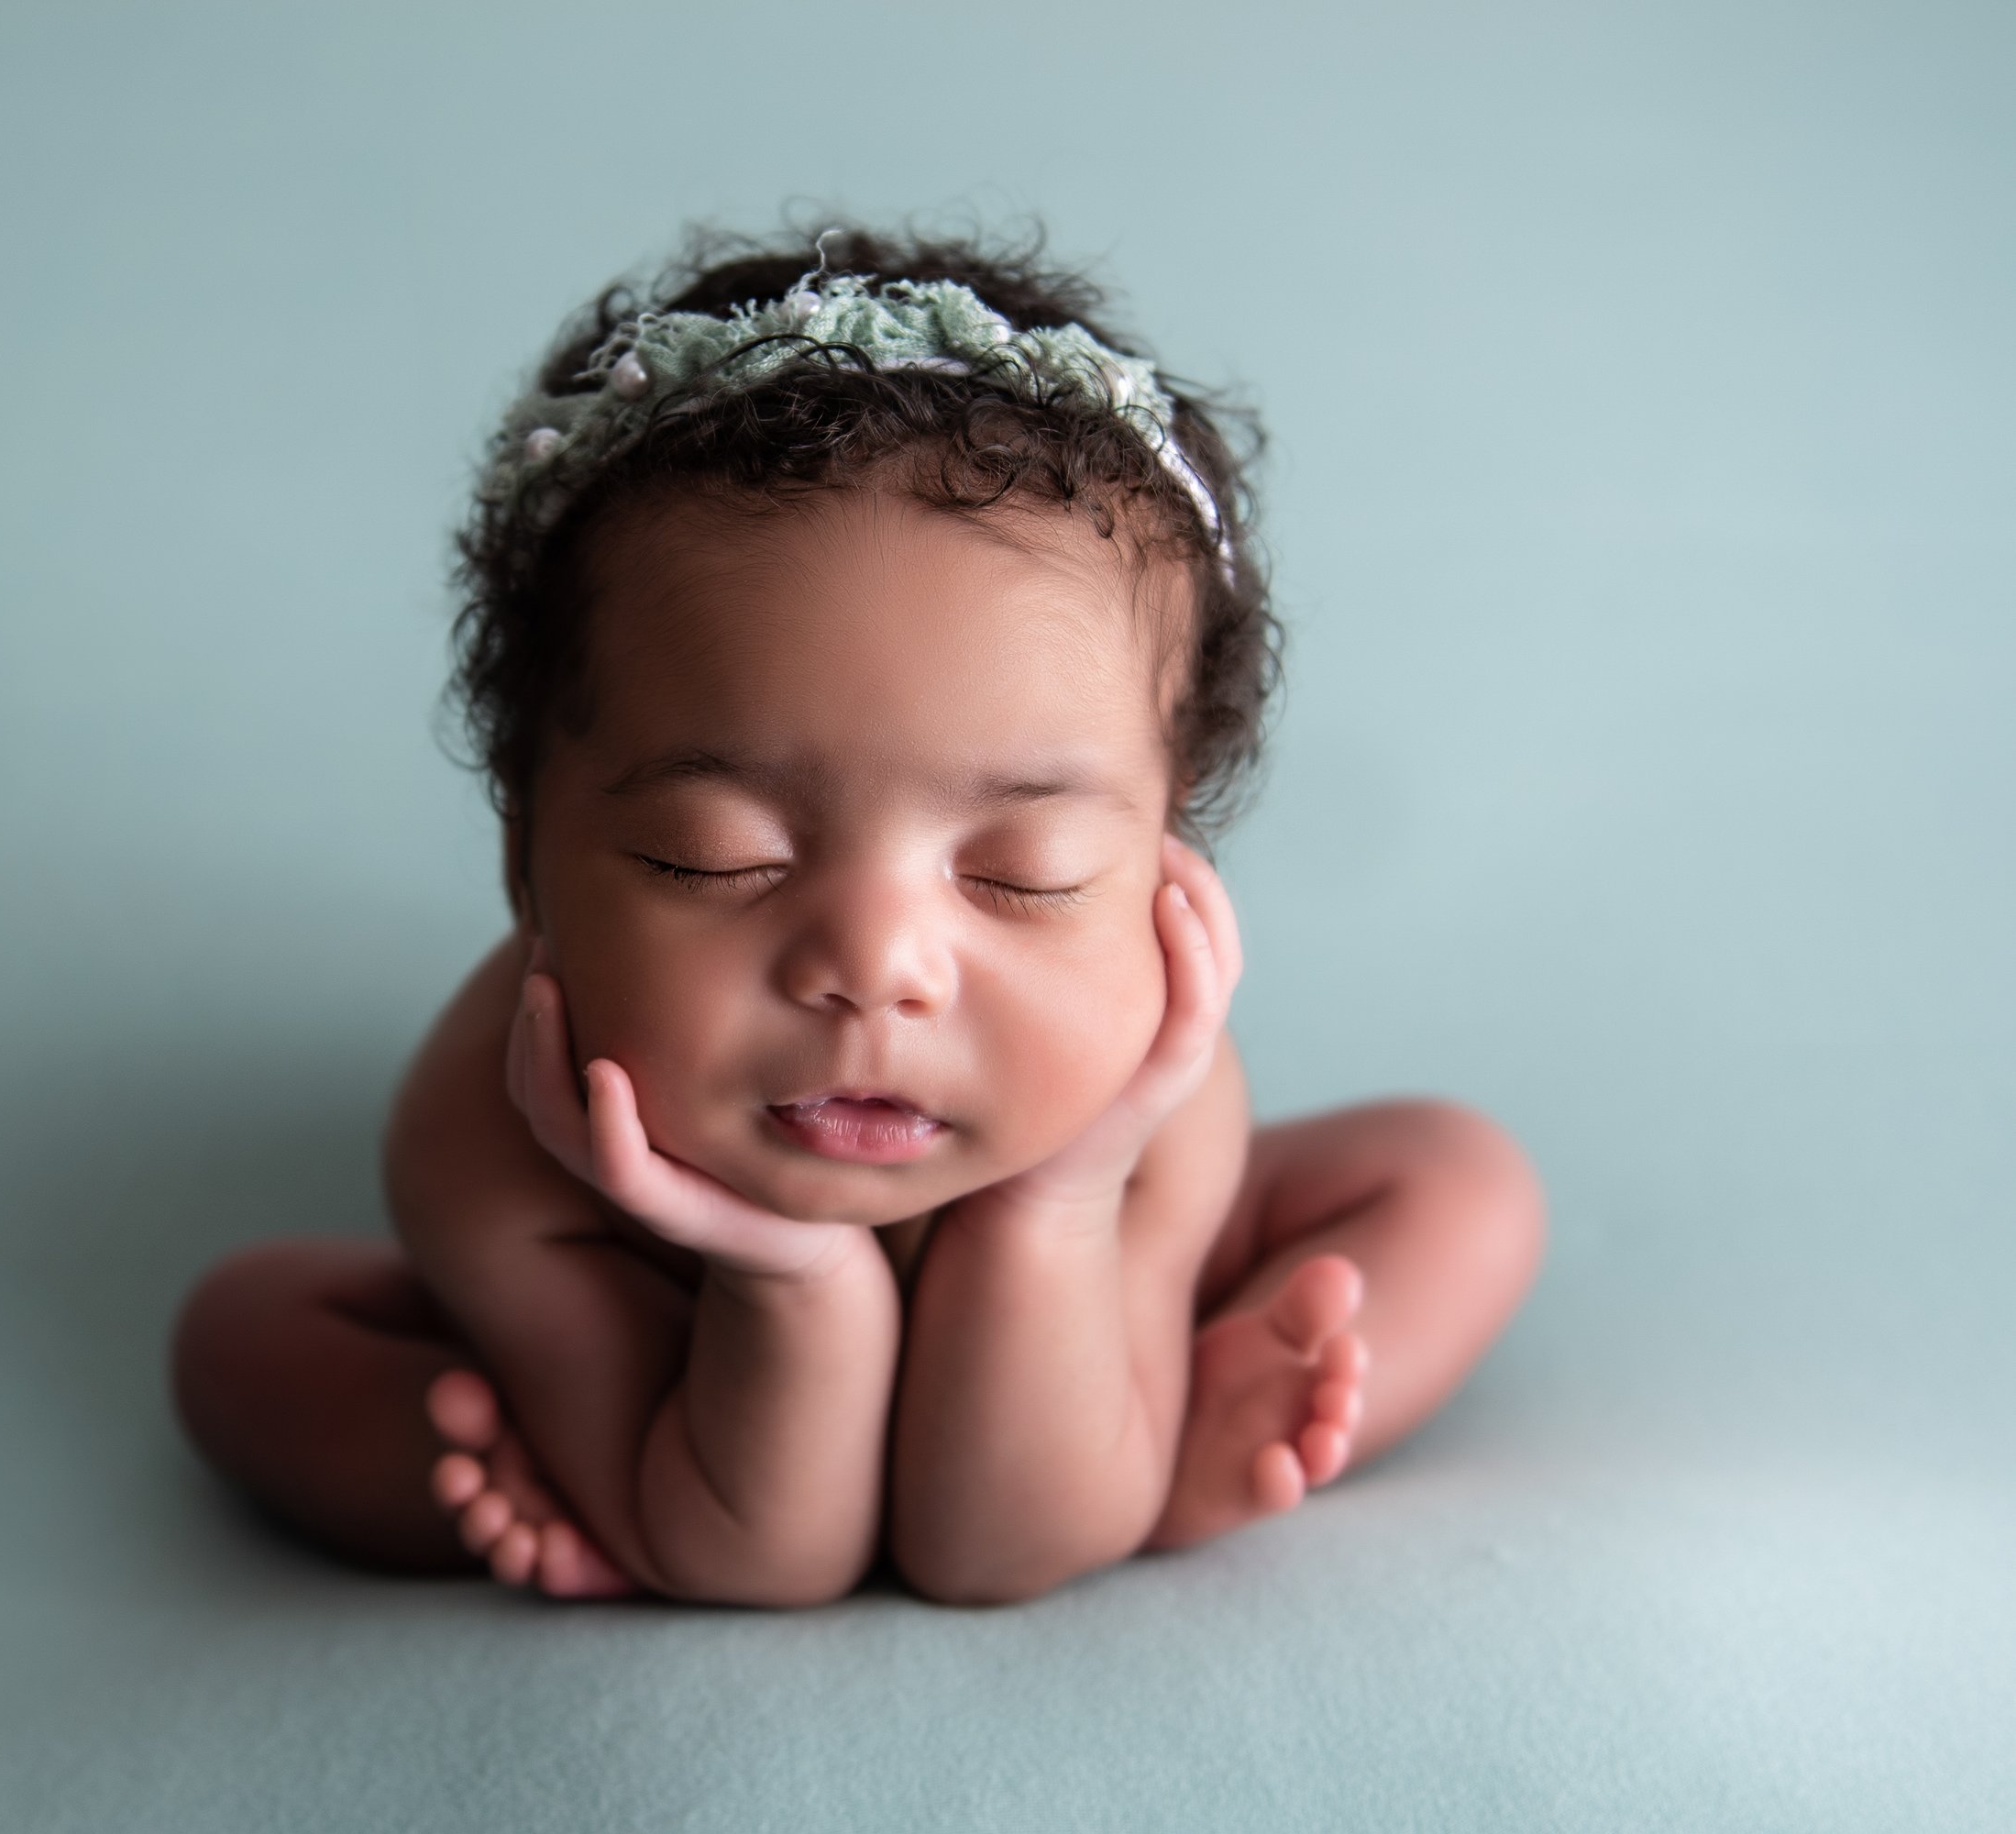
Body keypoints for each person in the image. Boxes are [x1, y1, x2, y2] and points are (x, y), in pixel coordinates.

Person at [170, 226, 1546, 1607]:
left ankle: (1163, 1438)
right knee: (245, 1340)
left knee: (1456, 1181)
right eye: (713, 858)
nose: (877, 968)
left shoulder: (1150, 1094)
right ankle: (558, 1453)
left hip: (1043, 1332)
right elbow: (757, 1560)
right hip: (678, 1371)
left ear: (1160, 867)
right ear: (529, 857)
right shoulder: (495, 1136)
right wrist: (784, 1274)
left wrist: (1058, 1199)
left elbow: (994, 1551)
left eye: (1029, 870)